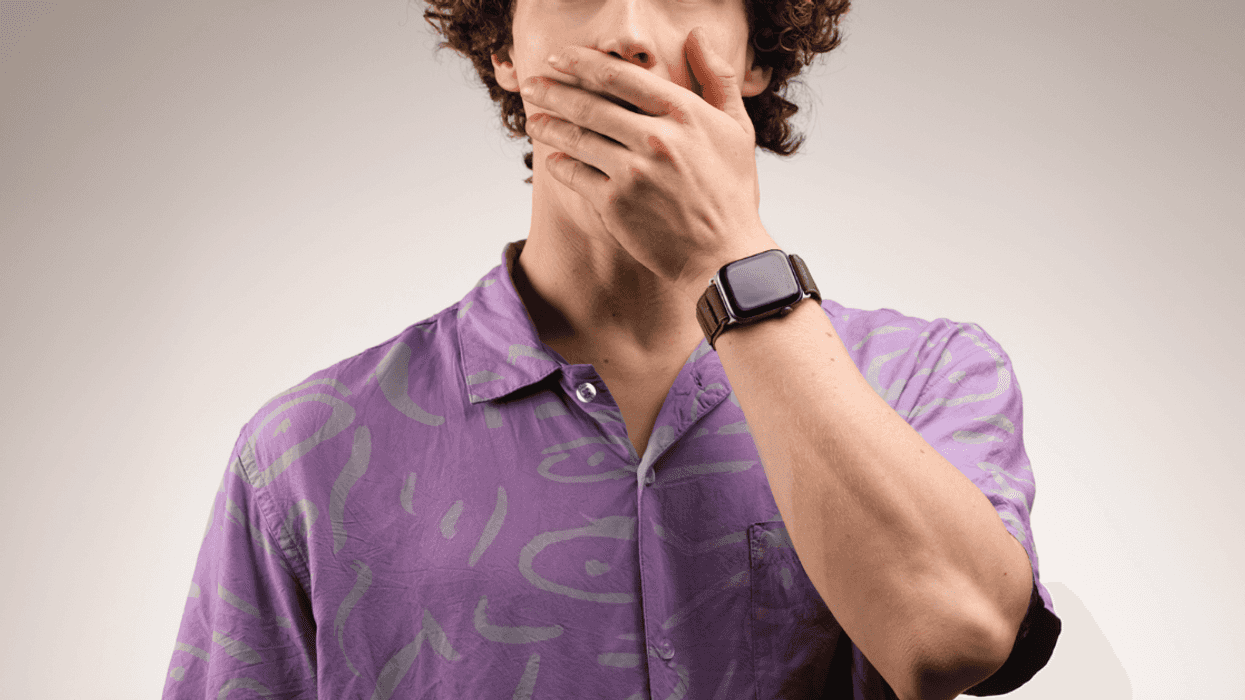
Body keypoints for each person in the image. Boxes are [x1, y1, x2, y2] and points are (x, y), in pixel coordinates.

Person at [163, 0, 1061, 697]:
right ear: (502, 49)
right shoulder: (307, 452)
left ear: (754, 53)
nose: (629, 35)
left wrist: (729, 259)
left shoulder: (925, 377)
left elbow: (951, 641)